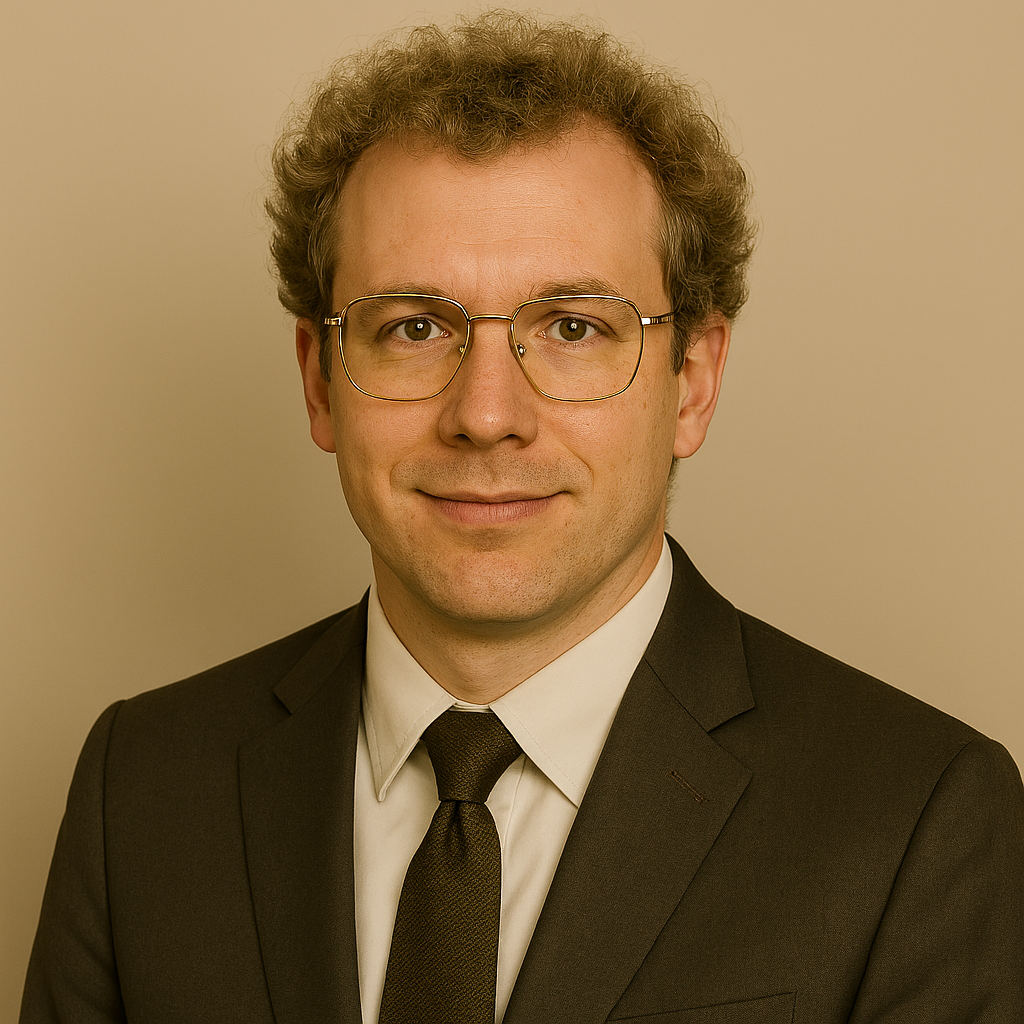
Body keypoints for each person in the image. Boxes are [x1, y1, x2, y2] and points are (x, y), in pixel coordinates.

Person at [21, 11, 1023, 1024]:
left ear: (693, 381)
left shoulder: (917, 818)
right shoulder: (140, 788)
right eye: (414, 326)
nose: (487, 415)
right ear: (319, 381)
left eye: (574, 328)